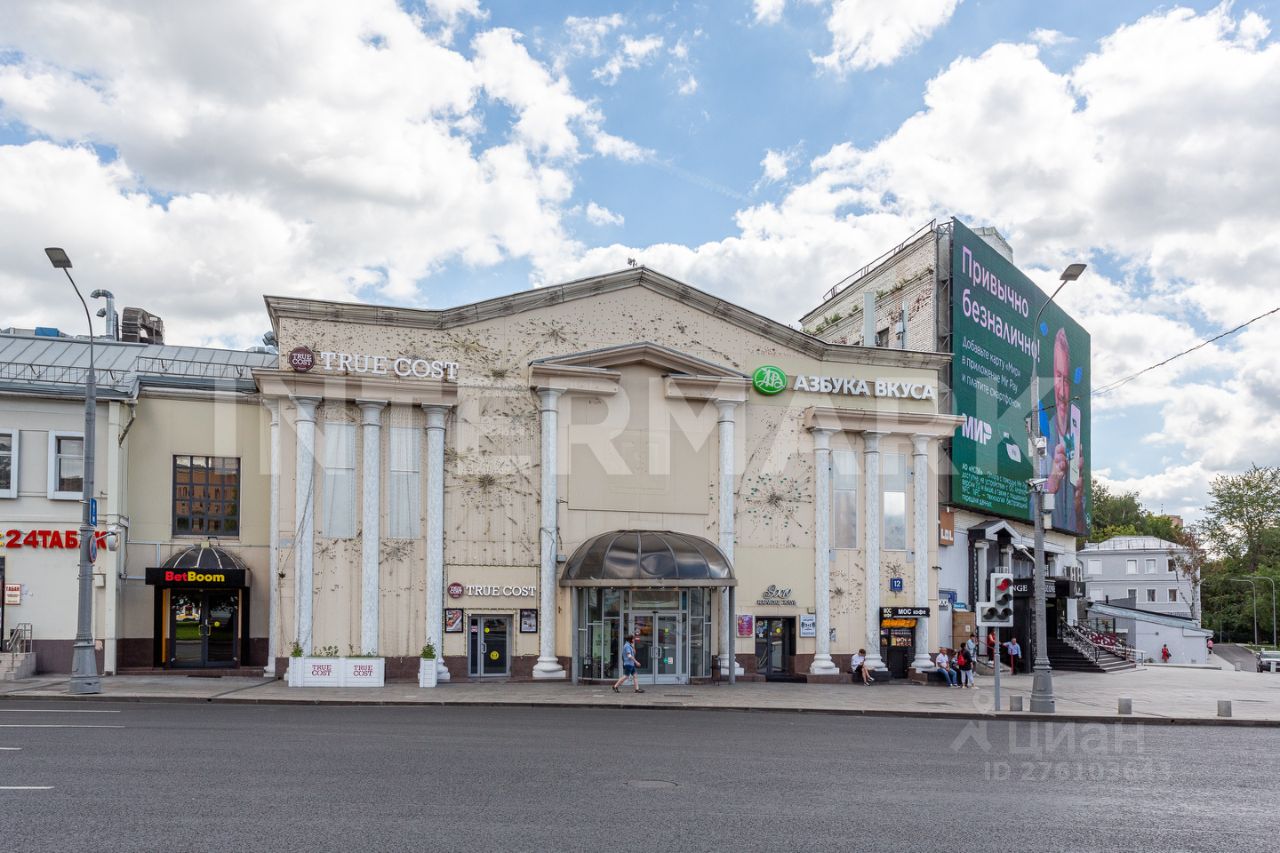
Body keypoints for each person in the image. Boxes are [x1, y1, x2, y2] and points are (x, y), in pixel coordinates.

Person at [1043, 328, 1085, 533]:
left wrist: (1078, 503)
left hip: (1063, 539)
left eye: (1066, 380)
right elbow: (1023, 505)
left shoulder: (1076, 444)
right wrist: (1050, 485)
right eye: (1057, 377)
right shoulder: (1040, 436)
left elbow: (1081, 527)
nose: (1061, 389)